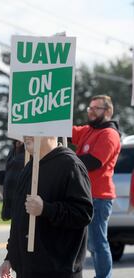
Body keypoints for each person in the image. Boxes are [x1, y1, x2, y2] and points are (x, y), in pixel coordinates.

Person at [0, 136, 93, 278]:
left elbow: (83, 213)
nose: (25, 135)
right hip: (28, 270)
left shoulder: (70, 165)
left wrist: (45, 209)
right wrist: (10, 257)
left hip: (58, 271)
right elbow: (18, 217)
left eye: (32, 130)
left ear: (51, 132)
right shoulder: (29, 167)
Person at [72, 95, 121, 278]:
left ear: (107, 112)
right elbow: (67, 131)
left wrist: (67, 159)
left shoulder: (109, 134)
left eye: (96, 108)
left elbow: (93, 161)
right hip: (85, 195)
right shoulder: (89, 130)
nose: (91, 111)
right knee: (88, 242)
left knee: (97, 243)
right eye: (89, 108)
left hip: (99, 196)